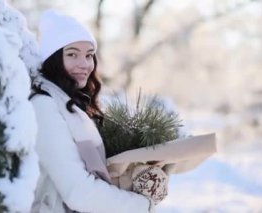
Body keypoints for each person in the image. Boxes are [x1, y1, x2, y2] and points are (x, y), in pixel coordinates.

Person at [30, 9, 167, 213]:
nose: (84, 64)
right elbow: (78, 192)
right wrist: (141, 206)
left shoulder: (75, 106)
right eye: (72, 54)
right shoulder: (44, 106)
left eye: (89, 55)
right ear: (53, 59)